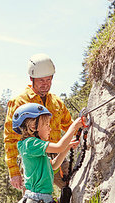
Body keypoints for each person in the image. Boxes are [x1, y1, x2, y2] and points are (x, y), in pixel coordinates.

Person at [4, 53, 73, 191]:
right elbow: (10, 139)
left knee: (70, 194)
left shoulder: (56, 102)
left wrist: (75, 136)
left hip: (58, 156)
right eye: (41, 80)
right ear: (32, 79)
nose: (45, 84)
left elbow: (69, 125)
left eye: (49, 80)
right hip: (33, 161)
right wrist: (14, 172)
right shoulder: (19, 102)